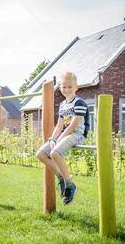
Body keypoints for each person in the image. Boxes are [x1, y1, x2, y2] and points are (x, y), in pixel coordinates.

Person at [36, 71, 90, 205]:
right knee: (41, 154)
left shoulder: (79, 103)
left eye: (70, 87)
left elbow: (73, 125)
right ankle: (61, 178)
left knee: (55, 153)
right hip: (65, 134)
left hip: (78, 134)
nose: (66, 89)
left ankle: (70, 184)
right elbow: (59, 126)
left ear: (76, 87)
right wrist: (53, 139)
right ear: (60, 88)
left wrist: (59, 140)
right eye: (64, 87)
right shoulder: (62, 105)